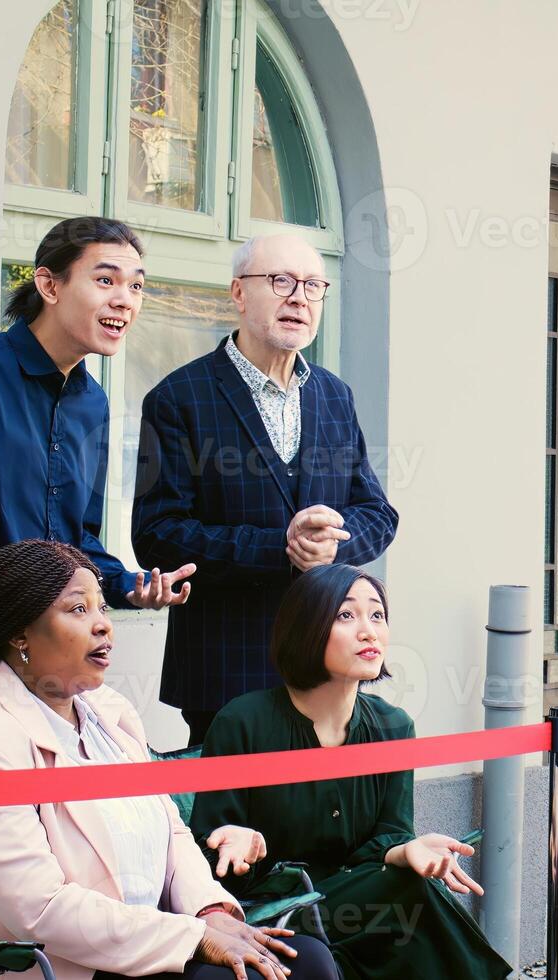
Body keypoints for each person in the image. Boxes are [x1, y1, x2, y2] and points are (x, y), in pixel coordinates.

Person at [0, 539, 337, 980]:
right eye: (78, 610)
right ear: (18, 634)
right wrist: (191, 937)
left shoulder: (110, 713)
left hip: (156, 940)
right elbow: (41, 909)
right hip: (70, 965)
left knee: (308, 959)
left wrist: (211, 910)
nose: (103, 626)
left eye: (102, 608)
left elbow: (172, 833)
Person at [0, 216, 195, 753]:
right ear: (49, 285)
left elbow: (78, 541)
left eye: (137, 285)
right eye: (106, 280)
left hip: (50, 671)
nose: (125, 300)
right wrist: (6, 587)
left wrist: (127, 585)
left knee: (48, 834)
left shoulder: (93, 401)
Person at [133, 233, 398, 746]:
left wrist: (332, 540)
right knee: (233, 828)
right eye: (280, 282)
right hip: (226, 672)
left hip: (328, 669)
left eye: (314, 286)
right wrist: (283, 547)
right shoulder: (177, 398)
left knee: (322, 822)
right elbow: (157, 534)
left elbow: (377, 512)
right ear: (238, 293)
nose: (299, 297)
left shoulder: (333, 395)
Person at [188, 565, 513, 980]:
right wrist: (240, 843)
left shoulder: (393, 727)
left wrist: (404, 850)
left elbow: (390, 833)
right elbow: (203, 856)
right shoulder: (243, 722)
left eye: (377, 615)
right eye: (346, 615)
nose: (369, 631)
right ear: (306, 627)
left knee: (412, 888)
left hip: (360, 896)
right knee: (409, 900)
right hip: (274, 905)